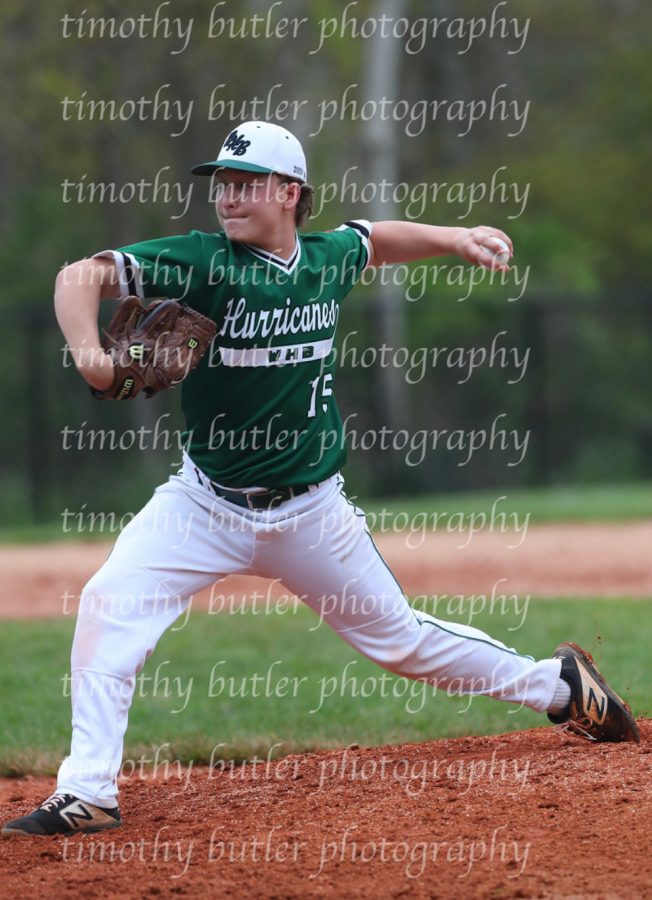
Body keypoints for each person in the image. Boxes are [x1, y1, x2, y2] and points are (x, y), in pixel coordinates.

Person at [2, 121, 638, 838]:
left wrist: (456, 237)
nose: (229, 197)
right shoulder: (203, 260)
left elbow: (375, 237)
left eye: (246, 184)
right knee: (109, 607)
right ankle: (88, 791)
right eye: (223, 185)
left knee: (404, 643)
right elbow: (77, 276)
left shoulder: (325, 259)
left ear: (290, 193)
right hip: (203, 504)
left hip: (310, 514)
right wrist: (89, 352)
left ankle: (558, 687)